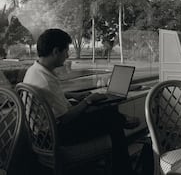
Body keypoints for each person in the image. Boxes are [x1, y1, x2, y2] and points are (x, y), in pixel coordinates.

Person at [23, 28, 134, 174]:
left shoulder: (34, 71)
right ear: (56, 51)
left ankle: (123, 126)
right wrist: (87, 100)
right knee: (112, 118)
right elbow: (66, 118)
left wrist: (72, 95)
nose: (67, 56)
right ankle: (124, 168)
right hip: (56, 135)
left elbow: (49, 97)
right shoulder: (46, 80)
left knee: (106, 113)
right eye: (66, 52)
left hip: (42, 134)